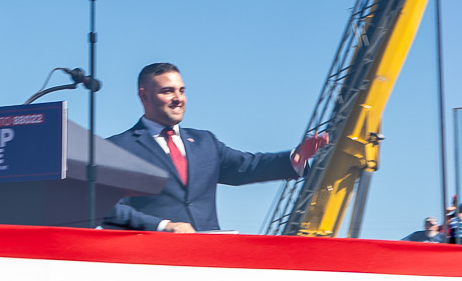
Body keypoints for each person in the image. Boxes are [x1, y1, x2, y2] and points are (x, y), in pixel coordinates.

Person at [107, 63, 326, 232]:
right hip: (148, 262)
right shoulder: (119, 148)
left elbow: (248, 166)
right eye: (168, 91)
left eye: (181, 91)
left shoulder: (205, 142)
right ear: (144, 96)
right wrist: (164, 226)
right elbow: (108, 207)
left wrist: (294, 159)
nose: (178, 99)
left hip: (208, 259)